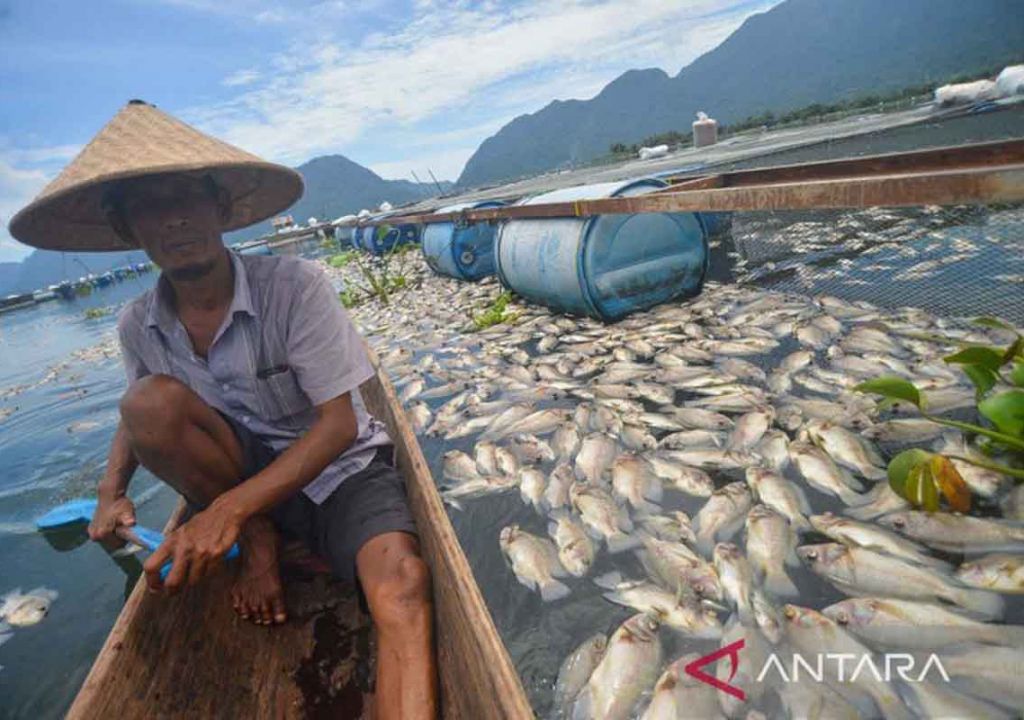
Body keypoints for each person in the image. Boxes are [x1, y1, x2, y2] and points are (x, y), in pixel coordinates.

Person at [9, 100, 437, 719]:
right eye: (149, 208)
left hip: (339, 470)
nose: (174, 220)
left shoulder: (294, 287)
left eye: (186, 197)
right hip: (238, 473)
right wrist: (110, 489)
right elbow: (140, 421)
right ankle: (263, 548)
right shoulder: (137, 324)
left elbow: (340, 425)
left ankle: (266, 535)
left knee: (403, 586)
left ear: (221, 208)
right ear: (128, 230)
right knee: (148, 401)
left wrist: (225, 514)